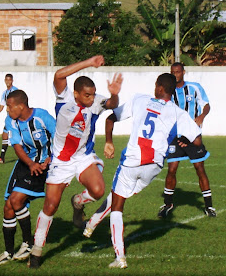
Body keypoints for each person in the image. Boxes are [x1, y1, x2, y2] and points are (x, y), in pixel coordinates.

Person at [28, 55, 123, 269]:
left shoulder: (96, 102)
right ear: (76, 93)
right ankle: (36, 250)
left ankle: (78, 202)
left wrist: (114, 95)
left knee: (98, 190)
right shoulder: (63, 101)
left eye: (93, 95)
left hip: (83, 157)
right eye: (87, 95)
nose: (91, 99)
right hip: (61, 161)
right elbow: (59, 75)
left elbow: (111, 105)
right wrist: (89, 62)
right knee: (50, 206)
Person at [103, 73, 203, 269]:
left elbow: (111, 117)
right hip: (154, 166)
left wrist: (108, 141)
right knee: (126, 192)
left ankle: (120, 257)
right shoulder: (178, 112)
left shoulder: (140, 99)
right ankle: (91, 224)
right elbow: (197, 140)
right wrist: (182, 139)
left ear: (158, 87)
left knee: (117, 205)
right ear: (172, 91)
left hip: (132, 161)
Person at [0, 90, 56, 265]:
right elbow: (17, 146)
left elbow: (60, 137)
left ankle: (28, 243)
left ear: (21, 106)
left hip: (42, 166)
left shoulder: (42, 117)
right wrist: (29, 163)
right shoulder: (11, 120)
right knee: (8, 207)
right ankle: (8, 251)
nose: (7, 110)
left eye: (9, 106)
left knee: (16, 200)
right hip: (25, 164)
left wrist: (51, 158)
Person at [157, 62, 216, 218]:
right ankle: (168, 204)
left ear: (183, 72)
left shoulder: (194, 87)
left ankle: (209, 206)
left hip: (192, 135)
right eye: (172, 72)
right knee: (172, 169)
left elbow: (206, 105)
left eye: (178, 72)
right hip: (175, 136)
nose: (175, 74)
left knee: (199, 168)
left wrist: (201, 117)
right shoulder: (167, 91)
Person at [0, 74, 18, 164]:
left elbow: (19, 103)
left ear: (12, 80)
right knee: (4, 135)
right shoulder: (5, 93)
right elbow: (1, 107)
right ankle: (1, 158)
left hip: (15, 117)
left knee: (19, 137)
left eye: (9, 80)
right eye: (6, 80)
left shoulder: (15, 91)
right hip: (9, 117)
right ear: (5, 81)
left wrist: (11, 108)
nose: (8, 82)